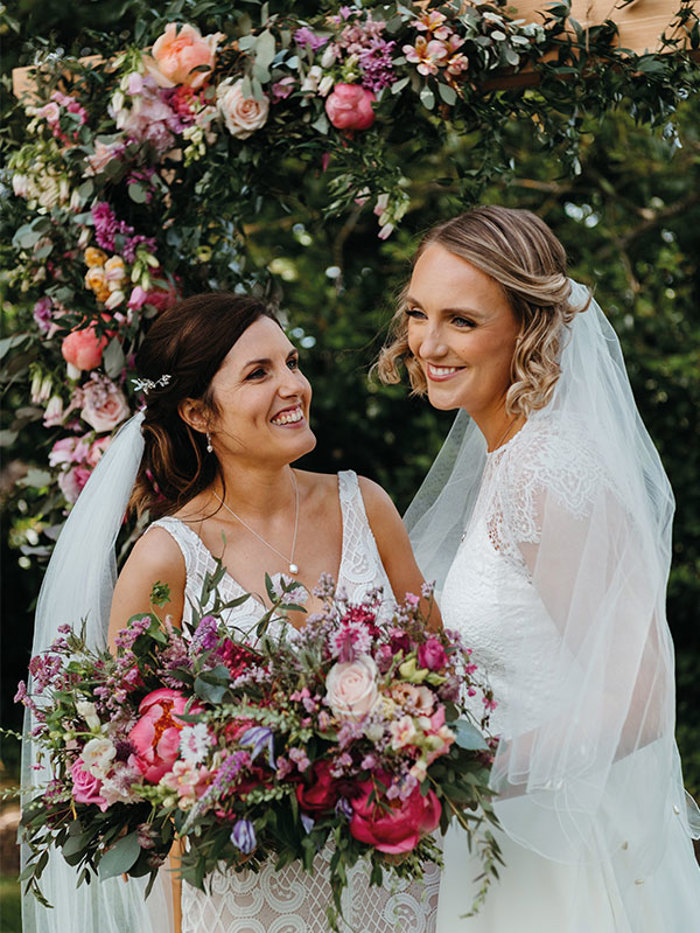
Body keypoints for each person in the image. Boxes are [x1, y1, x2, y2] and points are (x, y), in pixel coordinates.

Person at [23, 293, 440, 933]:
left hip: (398, 879)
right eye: (258, 373)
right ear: (198, 413)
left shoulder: (367, 505)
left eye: (291, 361)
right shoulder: (167, 559)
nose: (292, 385)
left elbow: (439, 676)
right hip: (251, 896)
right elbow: (138, 765)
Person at [377, 206, 700, 931]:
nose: (428, 343)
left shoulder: (546, 473)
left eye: (461, 320)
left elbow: (639, 698)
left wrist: (458, 772)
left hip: (562, 858)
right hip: (507, 841)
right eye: (418, 313)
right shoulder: (508, 461)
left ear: (528, 327)